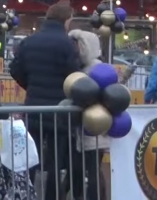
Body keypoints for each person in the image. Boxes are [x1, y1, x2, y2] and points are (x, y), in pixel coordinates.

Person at [9, 3, 83, 200]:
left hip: (34, 106)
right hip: (60, 109)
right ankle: (51, 196)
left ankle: (27, 193)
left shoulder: (29, 41)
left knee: (30, 156)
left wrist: (30, 85)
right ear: (66, 20)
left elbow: (15, 69)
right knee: (56, 161)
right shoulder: (66, 44)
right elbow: (74, 75)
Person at [67, 29, 107, 200]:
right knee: (78, 168)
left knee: (92, 169)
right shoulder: (80, 68)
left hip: (94, 125)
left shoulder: (96, 68)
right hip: (82, 126)